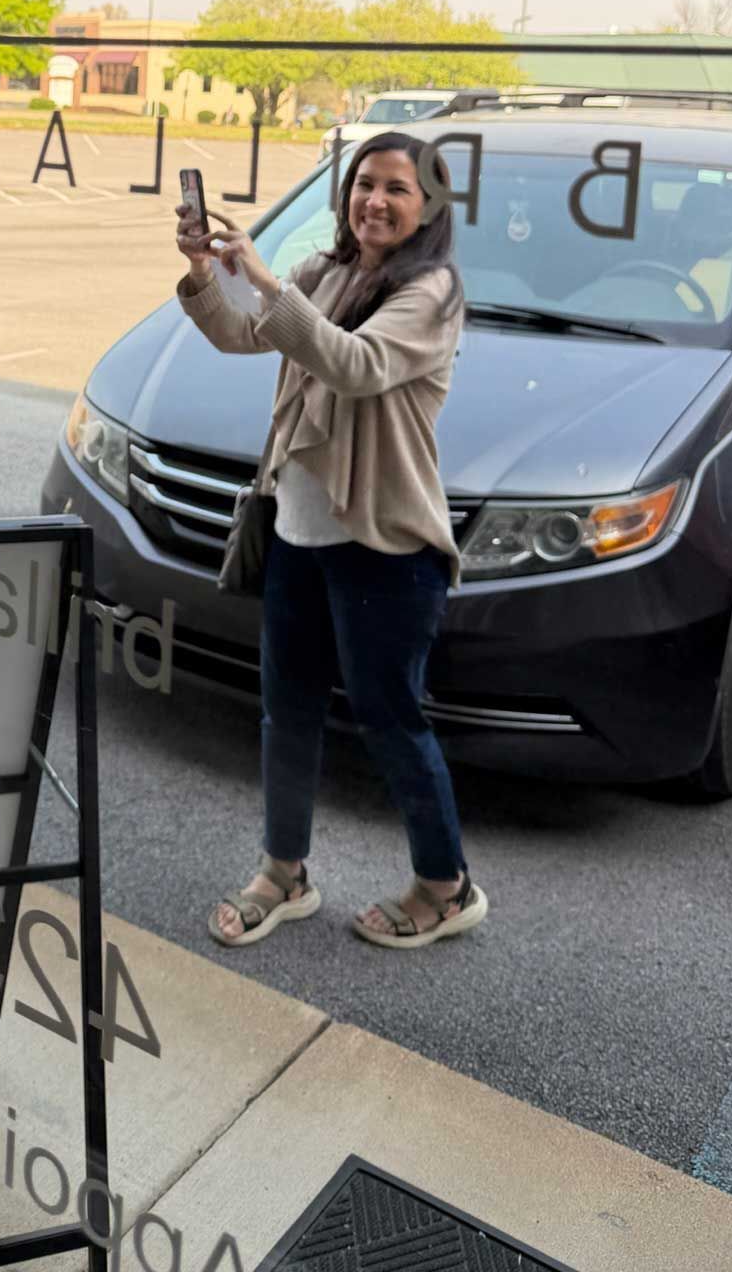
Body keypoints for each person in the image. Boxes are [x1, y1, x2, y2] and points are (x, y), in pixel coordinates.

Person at [174, 130, 486, 952]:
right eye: (363, 184)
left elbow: (354, 363)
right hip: (297, 531)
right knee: (288, 712)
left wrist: (267, 280)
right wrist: (206, 273)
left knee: (389, 718)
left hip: (385, 545)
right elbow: (241, 333)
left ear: (430, 207)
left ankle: (446, 885)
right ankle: (284, 873)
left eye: (397, 189)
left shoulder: (433, 293)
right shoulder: (323, 270)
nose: (374, 201)